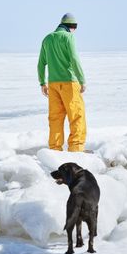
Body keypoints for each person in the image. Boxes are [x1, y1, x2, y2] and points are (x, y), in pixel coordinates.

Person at [37, 13, 87, 152]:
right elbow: (74, 59)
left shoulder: (47, 39)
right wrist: (82, 80)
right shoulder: (68, 37)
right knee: (76, 116)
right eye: (75, 26)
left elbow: (41, 64)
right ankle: (76, 148)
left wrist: (42, 83)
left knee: (55, 118)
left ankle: (55, 149)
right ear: (71, 26)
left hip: (53, 84)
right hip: (69, 83)